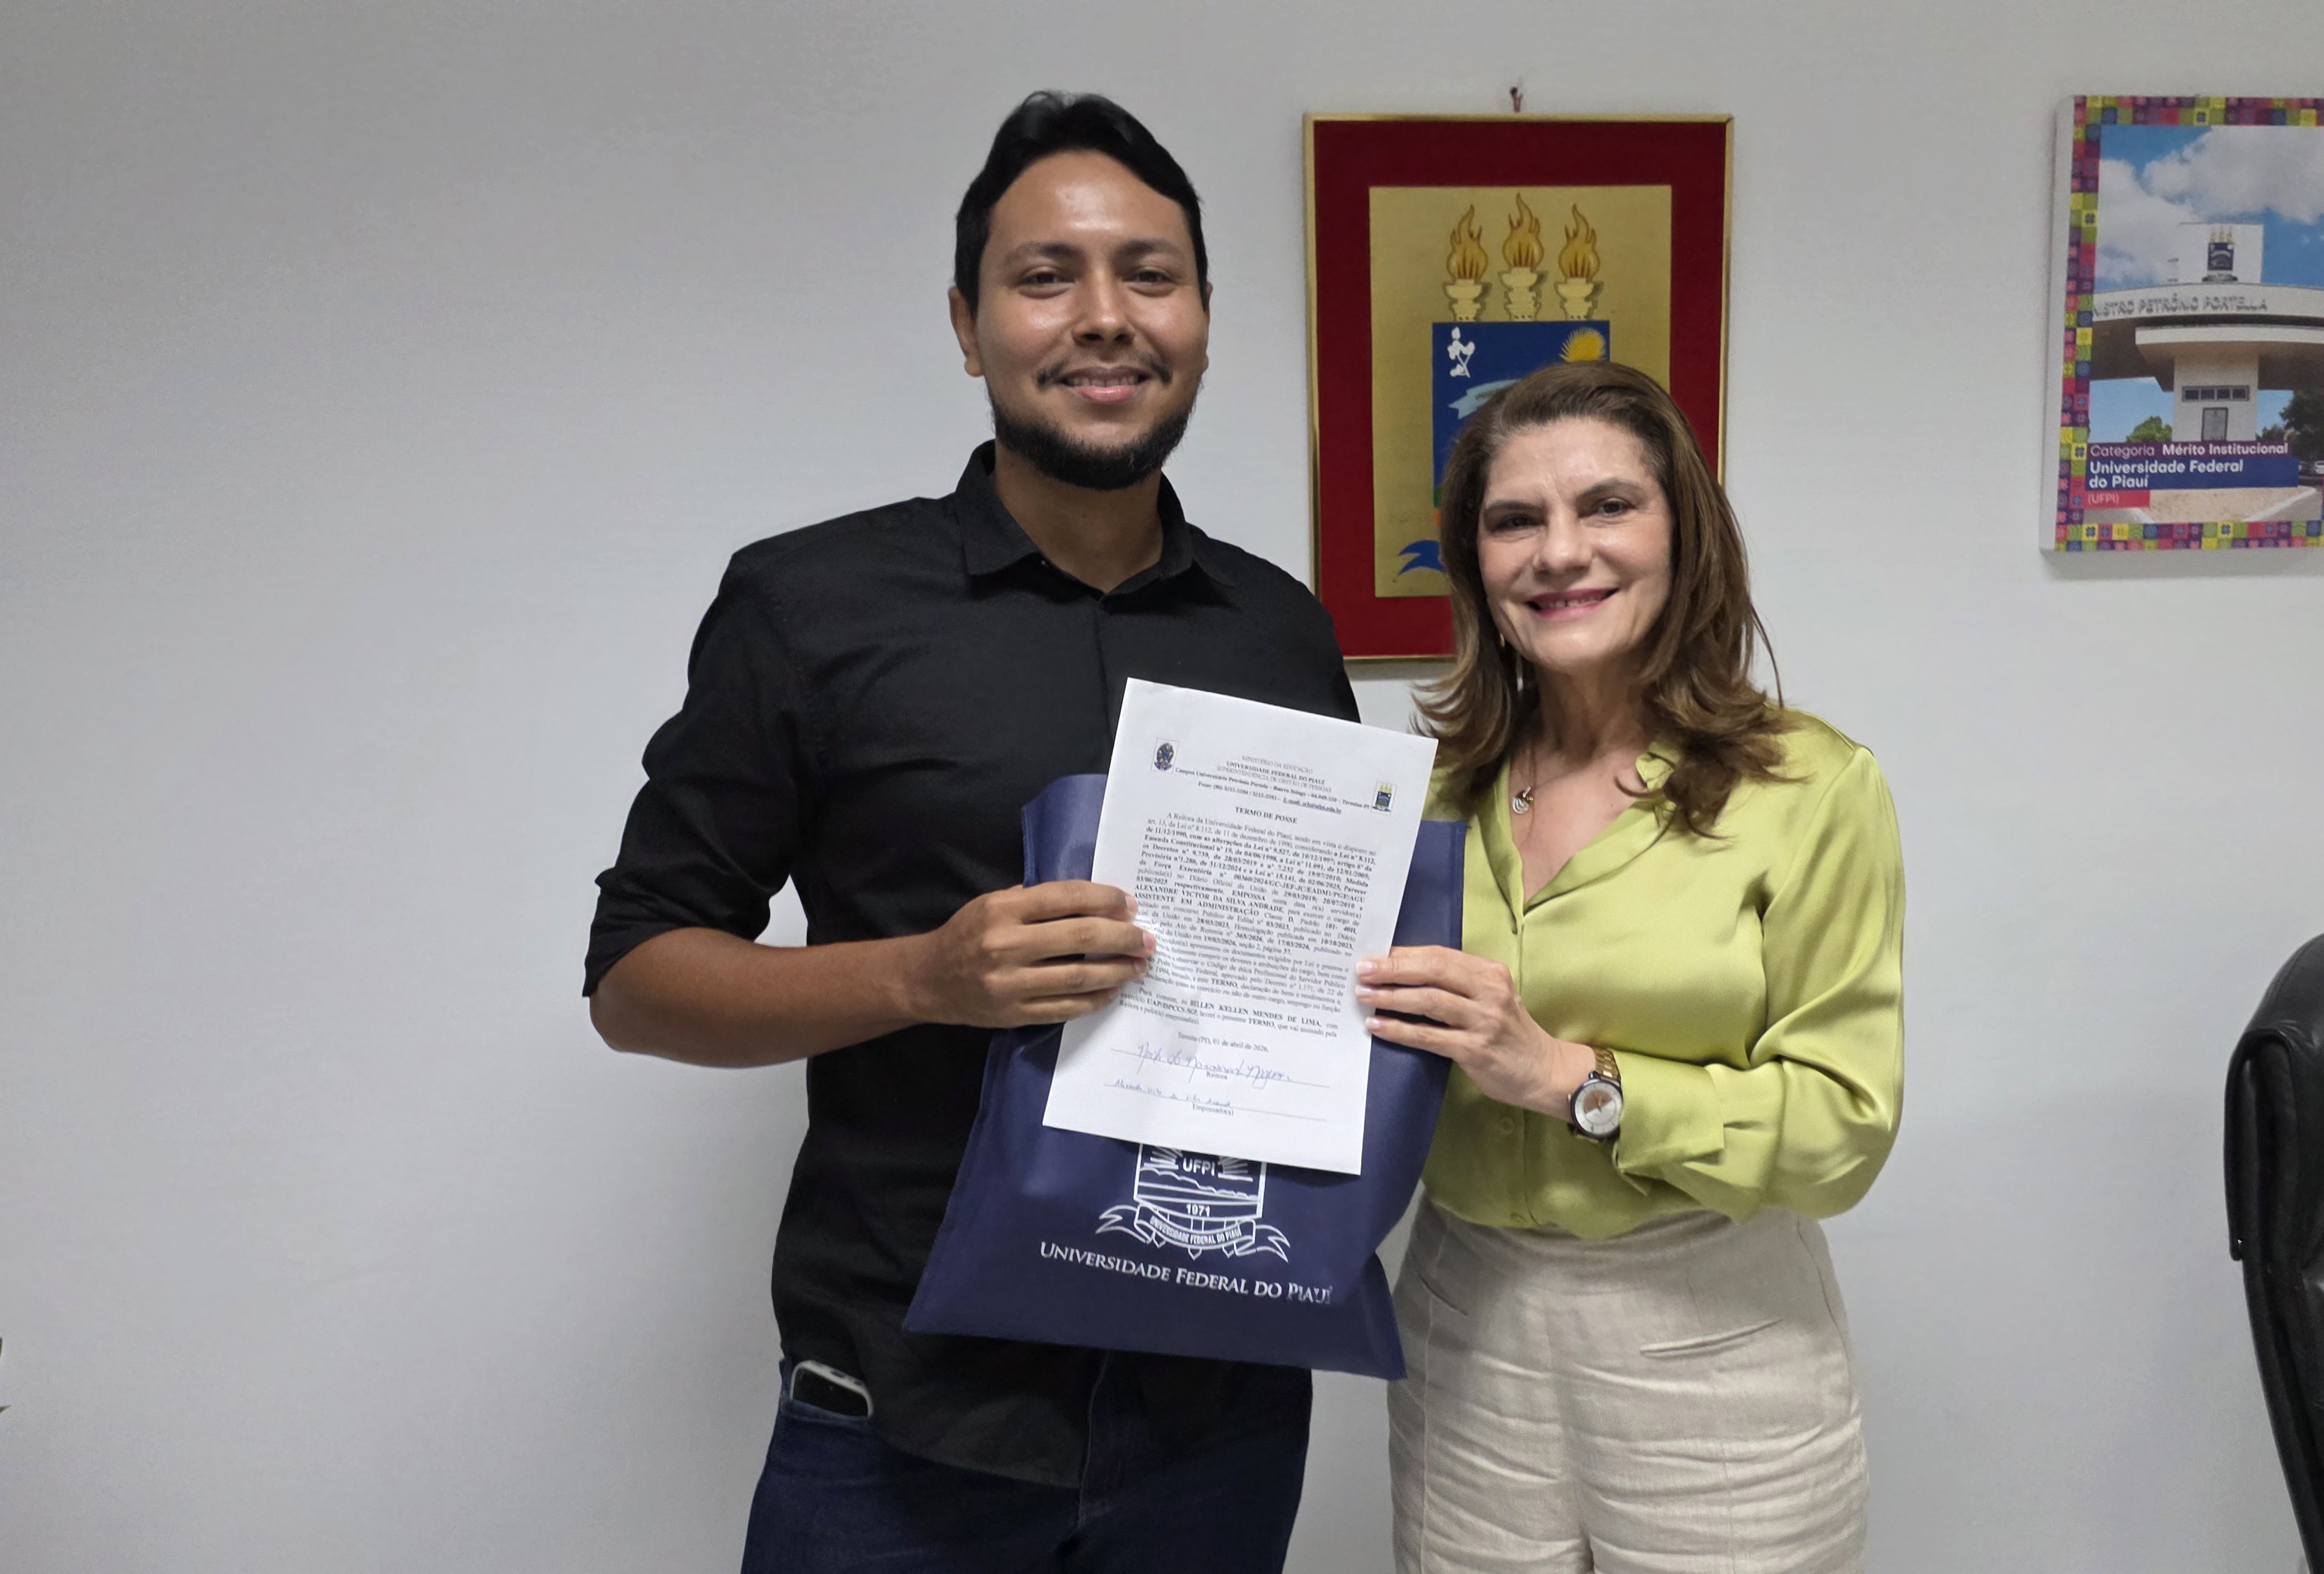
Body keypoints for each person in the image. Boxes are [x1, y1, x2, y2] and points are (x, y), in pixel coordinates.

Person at [585, 92, 1355, 1573]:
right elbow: (635, 980)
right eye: (1045, 276)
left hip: (1220, 1419)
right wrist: (919, 978)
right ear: (966, 323)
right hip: (902, 1432)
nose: (1105, 316)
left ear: (1202, 319)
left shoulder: (1280, 630)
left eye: (1149, 273)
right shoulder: (810, 606)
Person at [1356, 361, 1905, 1574]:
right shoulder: (1424, 797)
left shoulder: (1810, 789)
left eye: (1607, 506)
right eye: (1516, 520)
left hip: (1713, 1335)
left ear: (1682, 534)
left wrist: (1572, 1079)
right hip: (1464, 1326)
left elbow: (1844, 1130)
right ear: (1476, 564)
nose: (1561, 552)